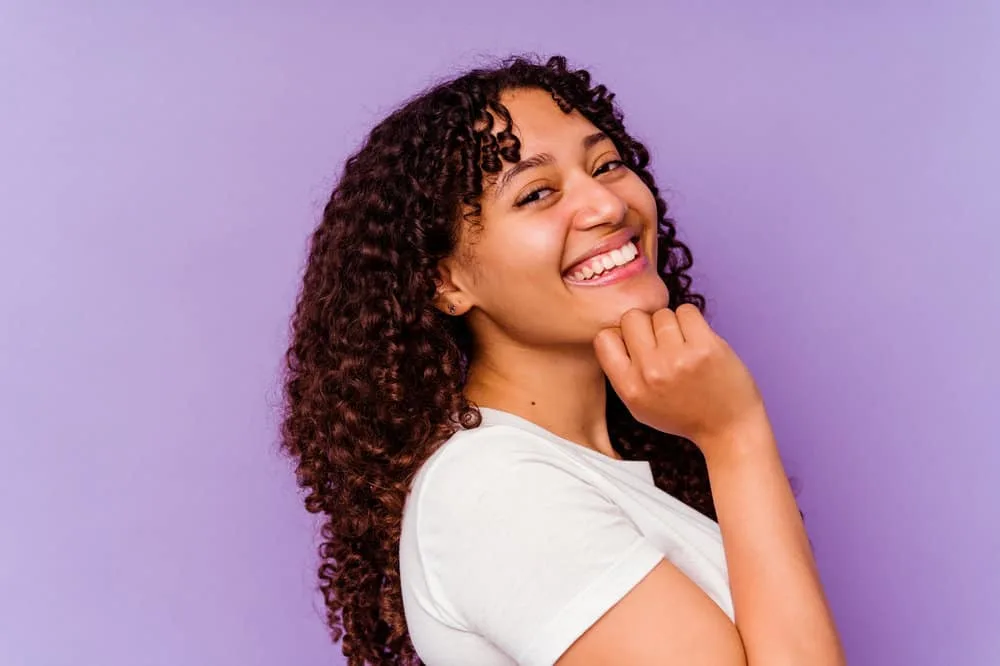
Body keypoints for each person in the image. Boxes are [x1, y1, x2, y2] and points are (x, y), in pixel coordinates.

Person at [281, 55, 844, 666]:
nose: (606, 205)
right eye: (537, 193)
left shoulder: (580, 470)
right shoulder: (494, 488)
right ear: (445, 283)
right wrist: (735, 435)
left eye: (606, 165)